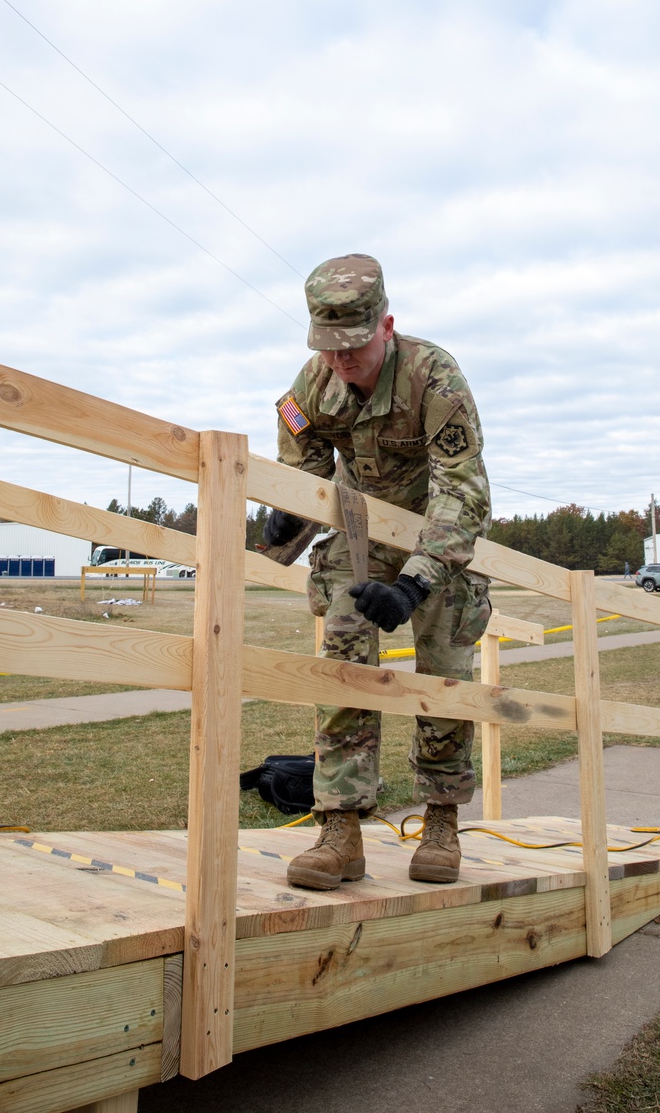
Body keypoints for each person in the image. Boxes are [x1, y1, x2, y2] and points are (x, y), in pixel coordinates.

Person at [263, 253, 492, 890]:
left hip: (438, 538)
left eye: (354, 350)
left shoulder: (435, 378)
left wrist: (415, 582)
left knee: (444, 676)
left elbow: (464, 491)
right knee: (342, 664)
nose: (342, 362)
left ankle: (441, 821)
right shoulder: (306, 387)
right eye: (328, 349)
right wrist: (286, 516)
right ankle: (340, 831)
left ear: (386, 327)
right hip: (361, 534)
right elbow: (301, 457)